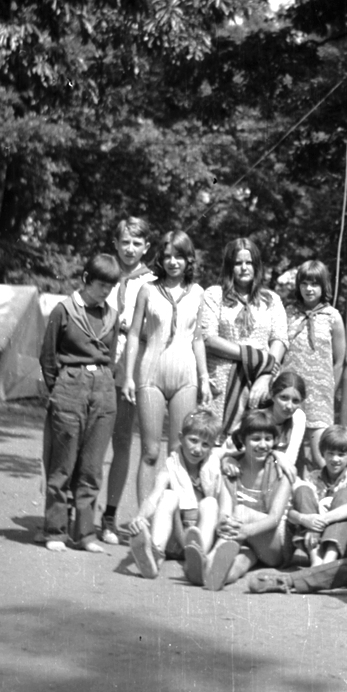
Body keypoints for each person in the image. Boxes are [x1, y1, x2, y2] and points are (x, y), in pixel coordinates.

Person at [122, 230, 208, 513]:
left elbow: (198, 340)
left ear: (188, 259)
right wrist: (128, 376)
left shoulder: (198, 293)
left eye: (179, 256)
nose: (173, 262)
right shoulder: (147, 289)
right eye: (168, 256)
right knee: (150, 452)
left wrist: (204, 379)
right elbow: (134, 334)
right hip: (150, 376)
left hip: (186, 378)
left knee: (177, 452)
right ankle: (143, 520)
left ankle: (170, 523)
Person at [40, 253, 121, 552]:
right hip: (69, 385)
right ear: (86, 279)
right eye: (100, 284)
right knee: (62, 464)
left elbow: (110, 356)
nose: (105, 291)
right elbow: (48, 356)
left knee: (91, 466)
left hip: (102, 387)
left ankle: (85, 534)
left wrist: (104, 383)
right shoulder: (64, 310)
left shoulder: (111, 315)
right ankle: (55, 531)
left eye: (110, 287)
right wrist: (59, 389)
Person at [98, 216, 155, 544]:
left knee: (122, 442)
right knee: (92, 440)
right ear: (115, 244)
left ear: (146, 247)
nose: (130, 249)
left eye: (137, 243)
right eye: (125, 242)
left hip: (130, 370)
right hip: (97, 363)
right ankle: (80, 511)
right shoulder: (104, 272)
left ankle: (110, 515)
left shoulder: (153, 281)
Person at [200, 238, 287, 436]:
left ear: (257, 266)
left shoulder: (271, 299)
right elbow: (209, 338)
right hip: (221, 381)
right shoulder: (214, 295)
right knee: (216, 439)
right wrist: (252, 355)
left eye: (249, 263)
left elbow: (280, 339)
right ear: (229, 267)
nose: (244, 268)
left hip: (259, 382)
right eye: (238, 263)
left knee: (253, 439)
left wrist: (265, 375)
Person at [198, 409, 293, 590]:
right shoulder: (231, 470)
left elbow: (274, 518)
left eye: (268, 439)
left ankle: (206, 562)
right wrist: (223, 524)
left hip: (275, 544)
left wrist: (244, 531)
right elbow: (225, 512)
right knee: (241, 562)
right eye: (256, 438)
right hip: (246, 539)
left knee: (241, 511)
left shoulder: (281, 471)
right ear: (243, 440)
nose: (263, 444)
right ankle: (215, 576)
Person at [125, 409, 223, 580]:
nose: (198, 449)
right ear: (180, 438)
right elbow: (154, 497)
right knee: (169, 496)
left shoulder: (213, 465)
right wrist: (140, 517)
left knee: (210, 503)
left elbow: (236, 448)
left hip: (198, 536)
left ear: (212, 446)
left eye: (205, 444)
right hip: (175, 535)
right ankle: (155, 554)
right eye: (193, 440)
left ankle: (198, 559)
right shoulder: (171, 466)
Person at [281, 260, 345, 471]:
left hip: (320, 394)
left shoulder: (333, 316)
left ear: (323, 286)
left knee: (320, 456)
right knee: (293, 452)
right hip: (291, 393)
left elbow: (339, 359)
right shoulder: (288, 313)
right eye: (305, 283)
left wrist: (330, 389)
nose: (309, 289)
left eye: (315, 284)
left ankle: (328, 497)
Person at [287, 424, 347, 564]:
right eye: (330, 453)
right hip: (314, 539)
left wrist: (323, 519)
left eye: (341, 455)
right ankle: (315, 560)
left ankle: (329, 561)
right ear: (323, 453)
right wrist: (306, 519)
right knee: (302, 490)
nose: (335, 459)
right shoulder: (313, 477)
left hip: (345, 540)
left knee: (344, 494)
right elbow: (289, 513)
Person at [222, 371, 306, 483]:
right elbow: (233, 450)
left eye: (295, 401)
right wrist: (276, 455)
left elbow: (289, 461)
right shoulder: (256, 419)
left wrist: (277, 458)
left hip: (277, 474)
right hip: (246, 473)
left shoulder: (298, 417)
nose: (289, 406)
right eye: (284, 398)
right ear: (272, 395)